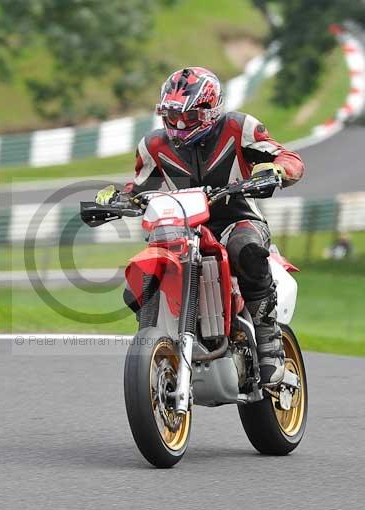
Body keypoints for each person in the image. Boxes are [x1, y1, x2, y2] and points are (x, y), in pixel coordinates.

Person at [96, 66, 304, 384]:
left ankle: (268, 342)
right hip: (181, 227)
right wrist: (114, 200)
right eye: (172, 115)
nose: (179, 125)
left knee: (244, 248)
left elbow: (287, 157)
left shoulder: (238, 127)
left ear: (211, 111)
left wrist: (275, 171)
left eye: (189, 117)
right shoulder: (153, 146)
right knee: (138, 280)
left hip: (238, 218)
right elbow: (138, 189)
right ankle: (158, 348)